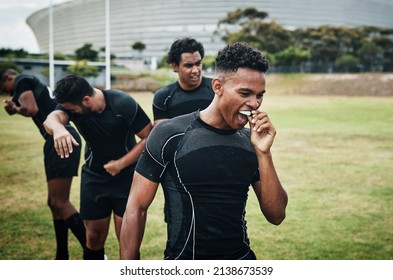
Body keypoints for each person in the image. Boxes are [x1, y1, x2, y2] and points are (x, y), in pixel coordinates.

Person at [120, 42, 288, 260]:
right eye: (245, 93)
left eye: (259, 95)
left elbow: (276, 215)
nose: (254, 104)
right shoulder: (169, 134)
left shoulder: (251, 142)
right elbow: (136, 208)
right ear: (217, 86)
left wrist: (264, 153)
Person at [43, 75, 153, 260]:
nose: (70, 112)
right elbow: (52, 118)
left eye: (71, 109)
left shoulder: (122, 103)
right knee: (92, 238)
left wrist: (121, 163)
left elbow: (148, 136)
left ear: (86, 100)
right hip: (94, 178)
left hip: (126, 179)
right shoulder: (73, 107)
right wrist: (59, 128)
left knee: (127, 243)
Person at [0, 68, 86, 260]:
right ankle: (62, 256)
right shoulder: (29, 81)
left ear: (8, 78)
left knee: (59, 201)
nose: (7, 92)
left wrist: (14, 108)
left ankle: (96, 253)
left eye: (4, 88)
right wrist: (14, 107)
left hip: (60, 137)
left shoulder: (22, 80)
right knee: (53, 203)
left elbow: (31, 110)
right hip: (56, 138)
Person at [152, 37, 214, 125]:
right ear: (175, 66)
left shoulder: (216, 89)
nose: (195, 70)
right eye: (189, 65)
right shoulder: (163, 97)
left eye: (198, 63)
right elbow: (162, 135)